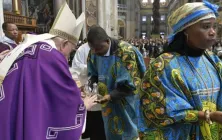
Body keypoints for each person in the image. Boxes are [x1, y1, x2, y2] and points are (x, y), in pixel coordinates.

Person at [138, 1, 222, 140]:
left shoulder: (214, 61)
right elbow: (157, 109)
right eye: (206, 26)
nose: (213, 32)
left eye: (215, 26)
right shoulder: (163, 66)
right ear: (185, 29)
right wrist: (208, 116)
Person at [0, 3, 97, 140]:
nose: (69, 55)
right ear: (64, 44)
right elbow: (62, 104)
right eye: (71, 49)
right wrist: (83, 106)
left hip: (17, 115)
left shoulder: (33, 48)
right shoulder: (52, 56)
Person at [87, 26, 146, 139]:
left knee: (128, 133)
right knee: (111, 132)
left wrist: (110, 96)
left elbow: (132, 84)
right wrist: (89, 87)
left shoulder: (125, 52)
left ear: (107, 41)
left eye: (98, 48)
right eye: (92, 48)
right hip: (107, 104)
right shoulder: (94, 52)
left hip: (127, 102)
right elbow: (93, 74)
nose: (95, 52)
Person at [72, 42, 106, 140]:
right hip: (88, 95)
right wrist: (90, 68)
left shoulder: (105, 49)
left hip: (103, 98)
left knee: (101, 131)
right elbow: (75, 69)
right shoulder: (82, 49)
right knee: (90, 128)